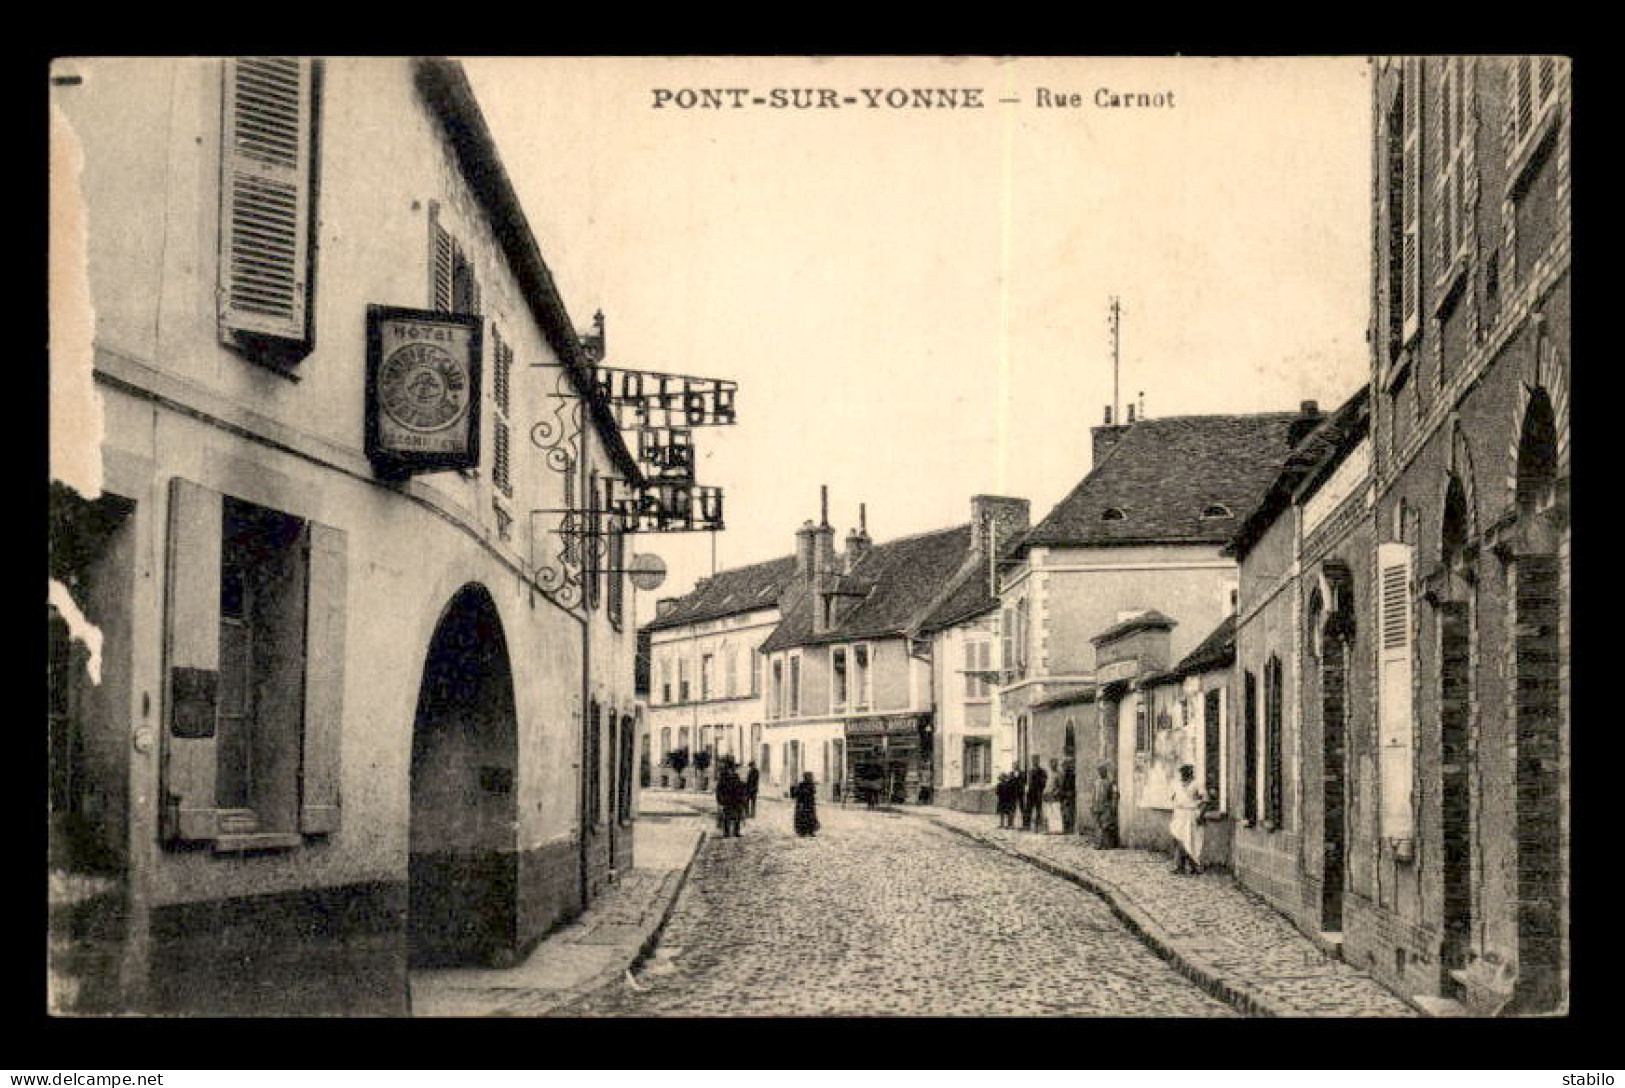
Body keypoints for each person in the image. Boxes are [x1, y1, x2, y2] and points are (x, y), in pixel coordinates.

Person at [1169, 764, 1209, 874]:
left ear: (1191, 773)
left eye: (1187, 772)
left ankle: (1194, 866)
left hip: (1191, 814)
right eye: (1183, 772)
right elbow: (1173, 798)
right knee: (1178, 839)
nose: (1184, 775)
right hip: (1179, 814)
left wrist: (1201, 815)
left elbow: (1205, 800)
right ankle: (1179, 865)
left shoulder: (1197, 784)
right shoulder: (1177, 784)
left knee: (1191, 840)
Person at [715, 757, 745, 838]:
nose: (732, 770)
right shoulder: (723, 777)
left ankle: (736, 831)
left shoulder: (736, 776)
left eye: (733, 769)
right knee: (726, 816)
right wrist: (720, 800)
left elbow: (739, 787)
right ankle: (726, 832)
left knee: (737, 816)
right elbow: (719, 789)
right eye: (731, 768)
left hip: (736, 800)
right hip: (727, 800)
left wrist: (742, 798)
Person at [1092, 763, 1120, 849]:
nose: (1101, 773)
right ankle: (1098, 844)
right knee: (1098, 825)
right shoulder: (1096, 782)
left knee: (1106, 826)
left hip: (1106, 806)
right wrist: (1092, 805)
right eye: (1099, 771)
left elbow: (1115, 794)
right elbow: (1094, 795)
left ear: (1106, 772)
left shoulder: (1110, 782)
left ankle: (1106, 844)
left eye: (1103, 771)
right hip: (1097, 806)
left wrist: (1113, 805)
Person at [792, 771, 820, 837]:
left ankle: (811, 831)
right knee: (803, 818)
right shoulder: (801, 784)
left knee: (810, 818)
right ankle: (802, 831)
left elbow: (813, 792)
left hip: (809, 804)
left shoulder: (811, 785)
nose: (810, 778)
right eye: (809, 777)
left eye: (810, 777)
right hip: (802, 804)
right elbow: (796, 793)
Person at [1025, 757, 1049, 833]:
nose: (1034, 762)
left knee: (1038, 810)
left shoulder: (1042, 771)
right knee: (1029, 809)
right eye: (1033, 760)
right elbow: (1028, 782)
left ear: (1038, 761)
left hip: (1038, 792)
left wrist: (1040, 788)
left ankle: (1038, 826)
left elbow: (1044, 782)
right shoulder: (1030, 771)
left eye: (1036, 760)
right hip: (1030, 792)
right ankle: (1027, 826)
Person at [1058, 759, 1078, 835]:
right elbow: (1061, 786)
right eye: (1063, 766)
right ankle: (1066, 828)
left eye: (1065, 766)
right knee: (1064, 813)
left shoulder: (1071, 775)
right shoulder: (1063, 775)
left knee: (1070, 813)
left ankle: (1070, 828)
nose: (1063, 767)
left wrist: (1070, 793)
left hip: (1069, 796)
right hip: (1063, 796)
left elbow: (1073, 787)